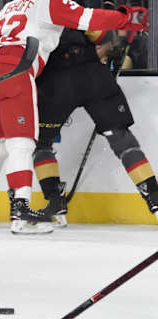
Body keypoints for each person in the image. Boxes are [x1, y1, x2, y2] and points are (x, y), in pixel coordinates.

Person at [0, 0, 149, 234]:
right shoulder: (48, 4)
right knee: (22, 145)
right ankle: (21, 212)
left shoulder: (10, 6)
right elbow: (89, 20)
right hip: (17, 74)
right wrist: (126, 18)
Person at [32, 0, 157, 227]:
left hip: (55, 81)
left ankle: (55, 204)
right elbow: (102, 35)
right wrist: (125, 25)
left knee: (41, 145)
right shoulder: (72, 7)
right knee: (121, 138)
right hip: (92, 75)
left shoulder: (31, 9)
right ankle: (155, 200)